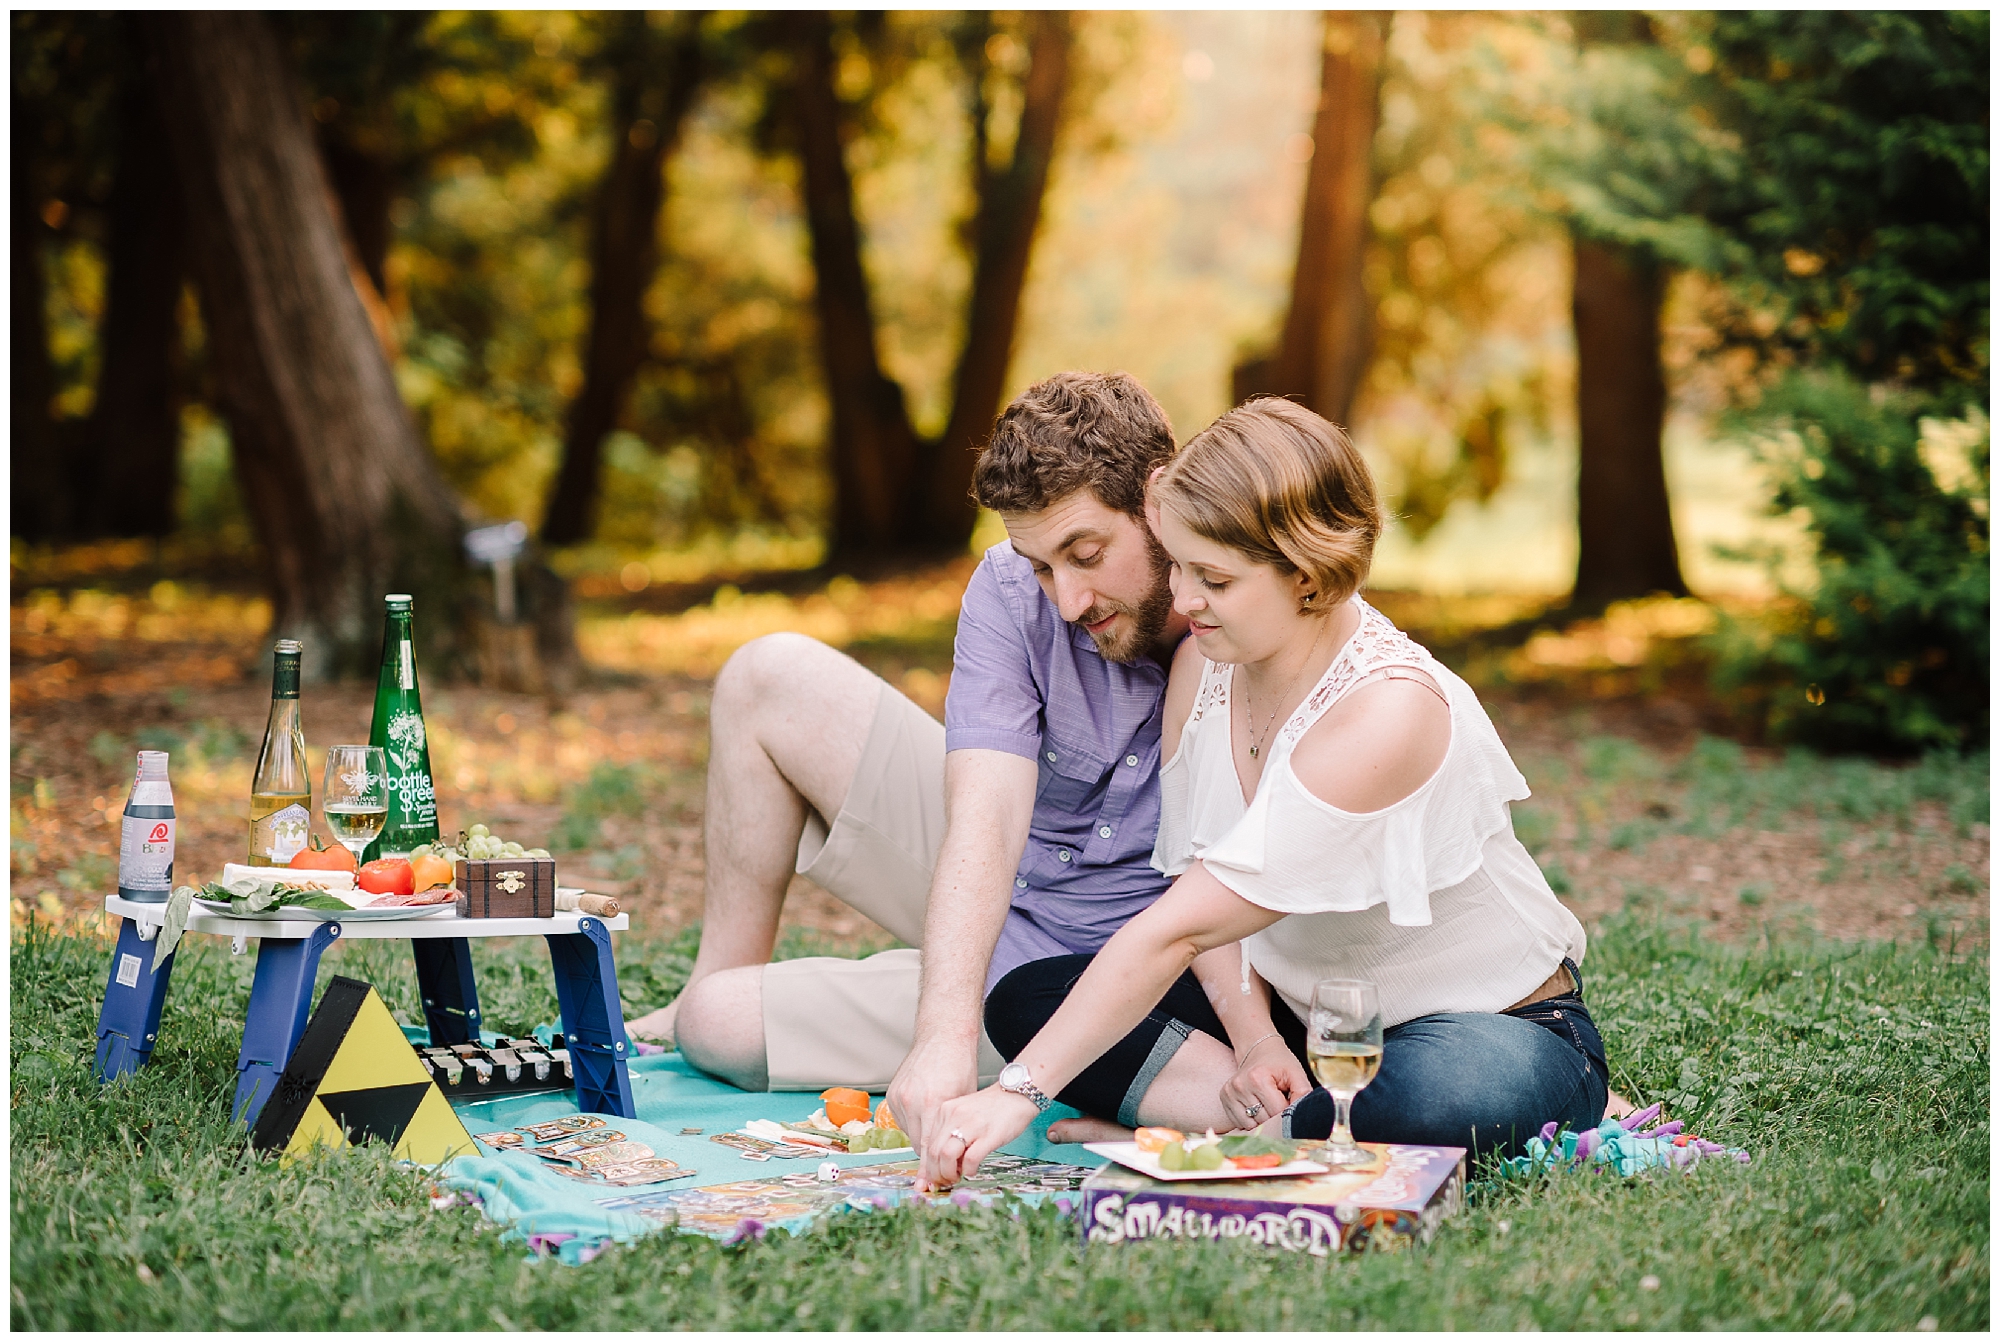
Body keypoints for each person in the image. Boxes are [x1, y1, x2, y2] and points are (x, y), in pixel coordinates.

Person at [920, 398, 1609, 1190]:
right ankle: (1294, 1118)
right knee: (1030, 999)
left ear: (1306, 577)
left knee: (1427, 1100)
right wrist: (1253, 1040)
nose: (1183, 601)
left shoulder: (1388, 710)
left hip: (1486, 1027)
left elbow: (1177, 930)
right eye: (1179, 568)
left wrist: (1014, 1096)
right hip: (1310, 1022)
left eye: (1214, 579)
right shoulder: (1202, 667)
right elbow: (1199, 881)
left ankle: (1233, 1135)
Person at [624, 371, 1190, 1154]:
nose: (1067, 600)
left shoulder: (1246, 608)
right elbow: (985, 818)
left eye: (1086, 554)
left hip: (1081, 983)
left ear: (1159, 501)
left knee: (716, 1027)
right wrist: (940, 1036)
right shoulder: (1009, 591)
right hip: (1004, 869)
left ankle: (736, 1001)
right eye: (1041, 565)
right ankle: (715, 972)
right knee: (768, 677)